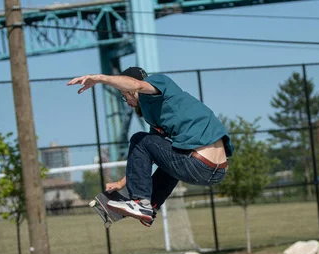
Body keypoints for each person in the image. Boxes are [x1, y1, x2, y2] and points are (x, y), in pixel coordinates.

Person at [67, 67, 233, 227]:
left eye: (125, 95)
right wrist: (122, 183)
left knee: (140, 138)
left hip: (198, 164)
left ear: (131, 89)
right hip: (216, 171)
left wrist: (100, 78)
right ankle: (150, 207)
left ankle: (141, 202)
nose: (128, 102)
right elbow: (149, 156)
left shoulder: (158, 82)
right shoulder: (155, 115)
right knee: (161, 152)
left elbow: (138, 85)